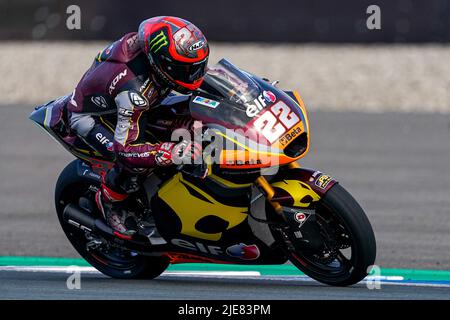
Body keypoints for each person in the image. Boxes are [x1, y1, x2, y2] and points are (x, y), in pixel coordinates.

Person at [66, 16, 209, 238]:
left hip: (124, 98)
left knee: (189, 119)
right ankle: (110, 200)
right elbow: (126, 150)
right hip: (92, 117)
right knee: (135, 161)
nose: (196, 74)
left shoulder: (152, 48)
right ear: (162, 65)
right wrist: (168, 152)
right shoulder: (134, 94)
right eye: (187, 69)